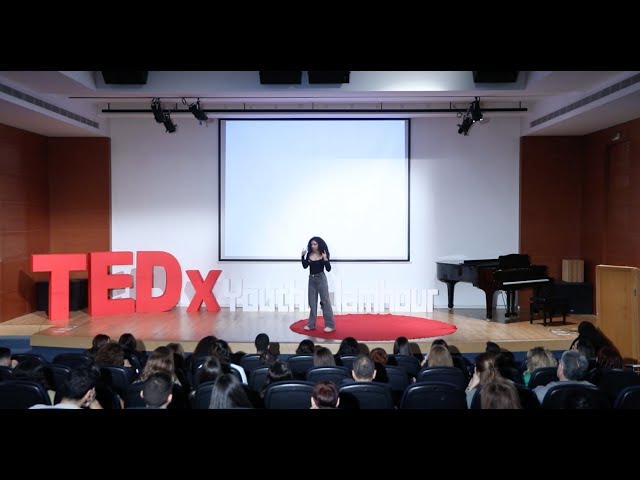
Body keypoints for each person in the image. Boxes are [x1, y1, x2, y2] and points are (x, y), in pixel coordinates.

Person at [301, 236, 336, 332]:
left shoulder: (323, 254)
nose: (313, 246)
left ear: (319, 244)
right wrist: (302, 256)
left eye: (315, 244)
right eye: (311, 244)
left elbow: (328, 269)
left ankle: (330, 325)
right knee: (312, 302)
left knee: (325, 302)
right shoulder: (309, 254)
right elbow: (305, 266)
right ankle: (311, 324)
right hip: (311, 279)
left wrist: (325, 259)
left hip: (321, 279)